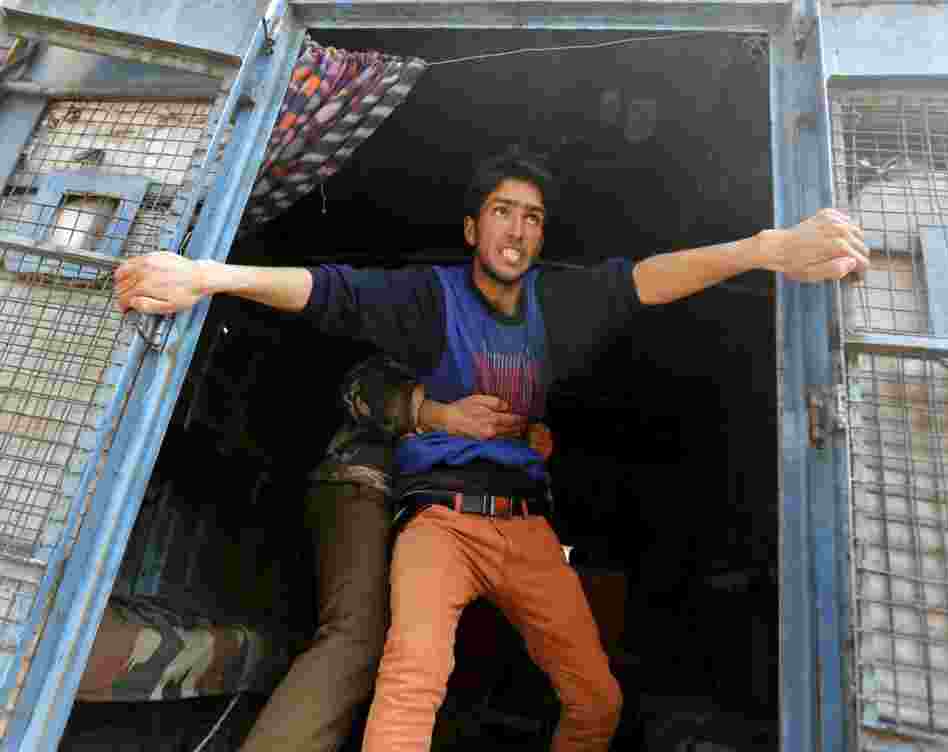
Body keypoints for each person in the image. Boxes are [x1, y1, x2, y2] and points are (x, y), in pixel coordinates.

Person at [115, 149, 869, 752]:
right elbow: (329, 290)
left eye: (532, 218)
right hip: (435, 525)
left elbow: (647, 281)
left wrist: (767, 249)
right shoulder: (426, 301)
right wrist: (208, 276)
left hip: (528, 531)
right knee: (409, 685)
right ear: (474, 228)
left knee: (597, 703)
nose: (517, 230)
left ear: (542, 236)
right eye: (502, 213)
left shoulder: (561, 303)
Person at [237, 351, 537, 752]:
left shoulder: (523, 366)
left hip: (436, 522)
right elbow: (359, 389)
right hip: (368, 486)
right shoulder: (441, 322)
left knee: (424, 660)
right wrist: (439, 416)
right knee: (358, 639)